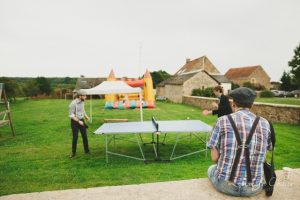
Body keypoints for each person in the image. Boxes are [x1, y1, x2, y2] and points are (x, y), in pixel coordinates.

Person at [207, 87, 272, 197]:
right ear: (252, 105)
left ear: (233, 104)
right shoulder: (265, 123)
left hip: (226, 185)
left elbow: (214, 158)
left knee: (211, 169)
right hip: (253, 187)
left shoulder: (222, 121)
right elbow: (263, 159)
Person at [69, 89, 90, 158]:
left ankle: (87, 151)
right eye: (84, 96)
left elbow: (82, 110)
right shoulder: (73, 103)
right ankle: (73, 153)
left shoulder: (82, 101)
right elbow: (71, 115)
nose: (85, 97)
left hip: (81, 120)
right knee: (75, 137)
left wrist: (86, 117)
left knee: (85, 136)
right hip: (75, 121)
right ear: (80, 96)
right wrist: (78, 121)